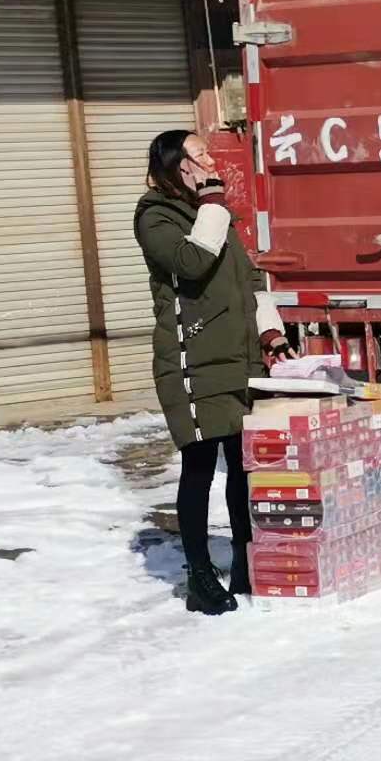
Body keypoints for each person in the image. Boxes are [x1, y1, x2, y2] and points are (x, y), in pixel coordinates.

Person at [134, 131, 294, 615]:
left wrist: (274, 338)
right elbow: (191, 262)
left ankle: (245, 564)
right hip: (192, 362)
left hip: (238, 359)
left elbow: (249, 280)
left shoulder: (215, 212)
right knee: (199, 468)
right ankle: (200, 578)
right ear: (176, 165)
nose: (208, 158)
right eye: (198, 152)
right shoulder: (155, 215)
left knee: (239, 468)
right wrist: (212, 205)